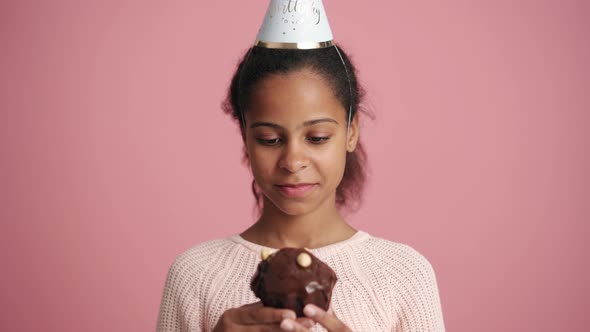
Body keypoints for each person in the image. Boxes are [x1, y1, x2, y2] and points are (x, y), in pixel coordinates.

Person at [157, 1, 445, 331]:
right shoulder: (195, 275)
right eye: (269, 139)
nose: (293, 162)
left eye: (318, 137)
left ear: (351, 132)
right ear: (245, 137)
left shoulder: (404, 274)